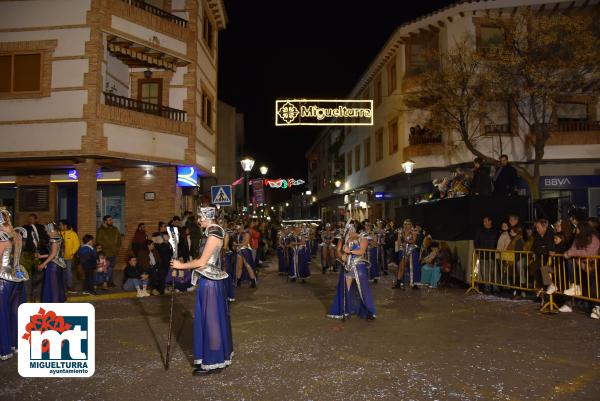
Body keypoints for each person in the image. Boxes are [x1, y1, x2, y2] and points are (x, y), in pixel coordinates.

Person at [171, 206, 233, 376]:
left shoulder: (213, 234)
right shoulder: (211, 232)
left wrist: (181, 266)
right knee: (209, 320)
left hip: (211, 283)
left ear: (207, 217)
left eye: (200, 218)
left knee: (211, 322)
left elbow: (202, 262)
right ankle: (215, 358)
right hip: (208, 281)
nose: (198, 221)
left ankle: (214, 361)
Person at [328, 222, 376, 320]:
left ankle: (368, 311)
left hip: (359, 266)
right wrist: (342, 257)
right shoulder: (344, 237)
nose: (350, 229)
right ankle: (344, 310)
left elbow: (362, 251)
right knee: (345, 288)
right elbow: (338, 250)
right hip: (348, 266)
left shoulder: (363, 236)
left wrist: (349, 252)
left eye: (352, 227)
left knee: (363, 290)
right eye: (348, 227)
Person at [0, 208, 28, 361]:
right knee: (14, 312)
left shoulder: (2, 237)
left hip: (2, 279)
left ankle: (4, 350)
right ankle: (15, 344)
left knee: (2, 314)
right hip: (17, 278)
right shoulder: (17, 234)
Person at [38, 223, 67, 303]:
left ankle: (54, 306)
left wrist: (43, 264)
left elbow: (53, 254)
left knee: (53, 287)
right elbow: (55, 253)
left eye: (47, 230)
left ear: (51, 230)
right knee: (57, 286)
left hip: (53, 265)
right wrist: (41, 256)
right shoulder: (59, 237)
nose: (47, 233)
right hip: (59, 265)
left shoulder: (53, 239)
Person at [23, 213, 48, 301]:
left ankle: (36, 295)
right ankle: (28, 296)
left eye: (32, 219)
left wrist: (42, 242)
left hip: (39, 255)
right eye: (29, 218)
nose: (30, 220)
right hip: (28, 255)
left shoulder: (41, 228)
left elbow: (46, 239)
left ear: (36, 219)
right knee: (28, 277)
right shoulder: (24, 228)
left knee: (38, 276)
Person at [96, 215, 121, 287]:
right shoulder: (101, 230)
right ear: (105, 221)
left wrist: (117, 247)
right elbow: (98, 241)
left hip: (114, 253)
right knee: (104, 268)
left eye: (111, 220)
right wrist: (107, 247)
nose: (111, 221)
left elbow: (119, 239)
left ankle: (110, 282)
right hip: (105, 253)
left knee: (111, 268)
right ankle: (102, 282)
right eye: (109, 220)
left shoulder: (115, 229)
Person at [474, 216, 497, 292]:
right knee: (485, 272)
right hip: (483, 255)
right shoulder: (479, 231)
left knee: (493, 272)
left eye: (486, 221)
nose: (484, 223)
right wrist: (478, 251)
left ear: (490, 222)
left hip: (493, 255)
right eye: (484, 222)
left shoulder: (495, 231)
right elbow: (476, 242)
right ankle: (487, 286)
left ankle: (495, 287)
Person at [58, 219, 80, 294]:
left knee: (68, 272)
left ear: (65, 226)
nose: (59, 226)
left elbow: (77, 245)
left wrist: (71, 252)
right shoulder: (58, 233)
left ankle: (69, 286)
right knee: (61, 272)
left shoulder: (73, 234)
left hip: (68, 257)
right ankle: (62, 287)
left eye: (61, 225)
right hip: (59, 257)